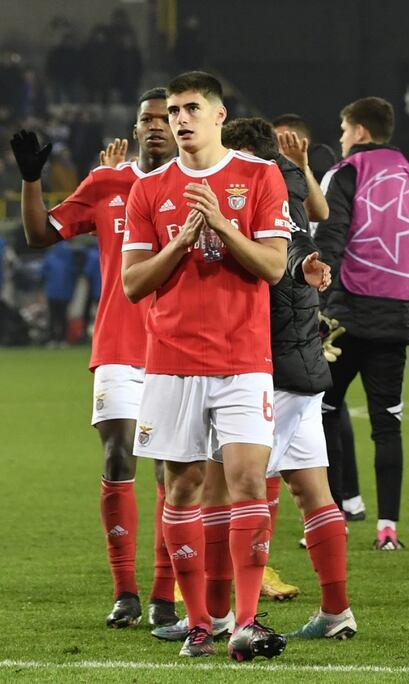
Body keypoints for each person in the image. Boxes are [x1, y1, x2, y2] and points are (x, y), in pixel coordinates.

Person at [120, 70, 292, 659]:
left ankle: (244, 621)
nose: (181, 119)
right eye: (172, 111)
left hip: (244, 359)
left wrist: (220, 223)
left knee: (247, 478)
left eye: (192, 107)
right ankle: (199, 624)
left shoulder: (259, 176)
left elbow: (272, 268)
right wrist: (180, 242)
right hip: (171, 362)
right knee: (182, 485)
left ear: (220, 115)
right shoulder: (150, 189)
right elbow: (133, 284)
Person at [10, 88, 179, 629]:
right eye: (147, 119)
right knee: (118, 457)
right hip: (119, 346)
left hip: (180, 348)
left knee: (173, 475)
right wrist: (32, 179)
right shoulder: (107, 184)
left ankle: (163, 593)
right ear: (134, 128)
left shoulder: (200, 188)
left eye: (166, 118)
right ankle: (125, 592)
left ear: (181, 126)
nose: (156, 126)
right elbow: (39, 235)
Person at [222, 117, 355, 640]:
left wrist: (300, 268)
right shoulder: (290, 189)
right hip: (301, 364)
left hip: (270, 366)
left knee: (239, 489)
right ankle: (336, 611)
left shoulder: (259, 190)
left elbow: (284, 256)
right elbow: (303, 236)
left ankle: (230, 614)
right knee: (312, 491)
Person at [315, 96, 409, 551]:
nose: (342, 139)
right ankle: (388, 530)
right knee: (388, 425)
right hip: (397, 316)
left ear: (359, 130)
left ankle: (335, 516)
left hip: (345, 316)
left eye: (344, 129)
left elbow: (331, 239)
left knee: (324, 411)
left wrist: (318, 305)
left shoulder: (345, 173)